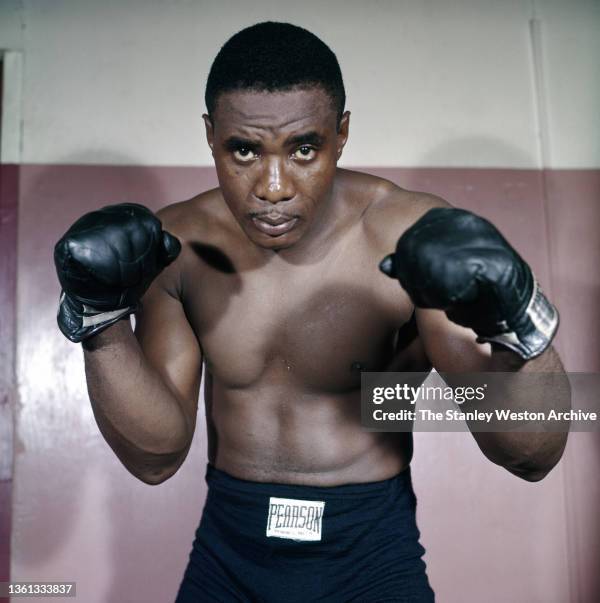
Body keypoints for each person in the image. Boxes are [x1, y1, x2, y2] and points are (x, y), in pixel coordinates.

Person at [53, 22, 568, 603]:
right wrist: (100, 322)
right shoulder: (178, 245)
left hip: (372, 557)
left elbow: (531, 452)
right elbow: (157, 459)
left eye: (304, 148)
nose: (273, 187)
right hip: (227, 555)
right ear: (210, 135)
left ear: (341, 133)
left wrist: (520, 326)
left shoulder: (406, 237)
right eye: (244, 150)